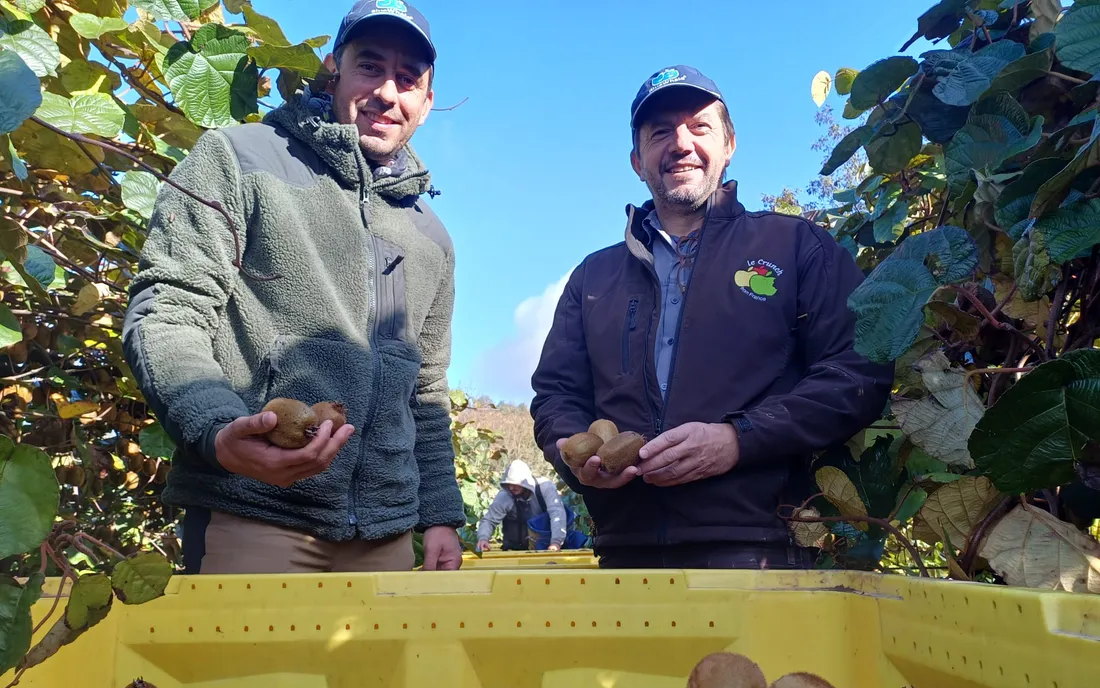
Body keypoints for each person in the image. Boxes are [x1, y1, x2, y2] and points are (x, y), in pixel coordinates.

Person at [122, 0, 467, 574]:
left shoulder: (432, 236)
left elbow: (425, 392)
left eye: (408, 79)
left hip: (385, 535)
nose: (387, 92)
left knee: (378, 671)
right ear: (333, 68)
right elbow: (168, 309)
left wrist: (439, 516)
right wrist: (216, 429)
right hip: (253, 511)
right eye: (370, 66)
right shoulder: (238, 157)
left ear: (426, 103)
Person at [530, 65, 895, 569]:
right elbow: (556, 396)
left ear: (729, 145)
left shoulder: (794, 247)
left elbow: (858, 373)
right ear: (637, 161)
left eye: (699, 127)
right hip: (623, 558)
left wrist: (737, 440)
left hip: (762, 554)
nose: (680, 143)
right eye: (660, 132)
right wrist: (576, 454)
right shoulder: (593, 277)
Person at [475, 460, 582, 553]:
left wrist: (556, 542)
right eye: (509, 484)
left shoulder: (545, 488)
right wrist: (483, 538)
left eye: (516, 484)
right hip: (517, 549)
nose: (512, 487)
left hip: (548, 545)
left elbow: (557, 514)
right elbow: (489, 520)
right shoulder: (505, 496)